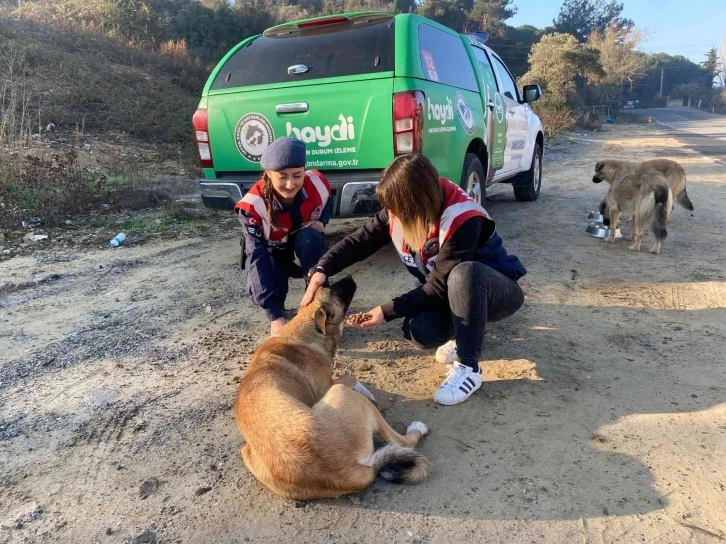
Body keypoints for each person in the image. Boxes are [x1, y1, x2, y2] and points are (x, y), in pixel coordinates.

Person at [301, 153, 526, 406]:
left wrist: (385, 311)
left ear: (417, 201)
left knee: (465, 273)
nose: (392, 216)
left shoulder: (463, 218)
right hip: (451, 292)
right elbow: (359, 241)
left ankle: (469, 367)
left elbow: (438, 285)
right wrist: (322, 268)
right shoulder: (399, 210)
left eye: (398, 209)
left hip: (497, 292)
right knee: (420, 333)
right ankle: (463, 333)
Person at [235, 137, 331, 336]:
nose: (290, 184)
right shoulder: (252, 206)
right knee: (269, 269)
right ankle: (279, 312)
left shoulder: (318, 183)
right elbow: (256, 258)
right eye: (282, 176)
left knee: (311, 238)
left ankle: (319, 304)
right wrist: (274, 317)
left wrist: (321, 220)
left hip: (303, 244)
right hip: (273, 251)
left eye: (297, 175)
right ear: (268, 175)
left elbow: (328, 200)